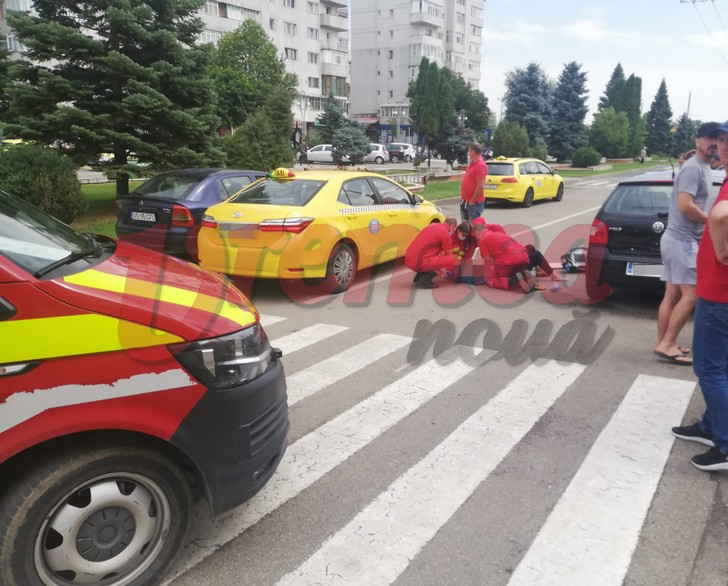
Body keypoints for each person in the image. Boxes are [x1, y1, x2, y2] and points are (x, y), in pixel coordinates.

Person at [672, 120, 728, 470]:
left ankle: (724, 444)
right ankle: (710, 425)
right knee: (720, 366)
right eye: (720, 140)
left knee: (709, 368)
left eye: (725, 141)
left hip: (719, 293)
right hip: (717, 291)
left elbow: (720, 215)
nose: (721, 146)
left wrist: (721, 249)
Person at [655, 121, 720, 366]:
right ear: (698, 140)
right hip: (683, 240)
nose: (714, 143)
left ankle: (663, 342)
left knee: (672, 294)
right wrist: (711, 220)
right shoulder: (693, 169)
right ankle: (667, 343)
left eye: (719, 139)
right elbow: (685, 206)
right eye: (710, 138)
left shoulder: (703, 166)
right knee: (691, 295)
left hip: (676, 239)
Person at [405, 217, 458, 288]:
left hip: (409, 259)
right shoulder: (445, 234)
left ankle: (421, 275)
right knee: (451, 261)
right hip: (419, 262)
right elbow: (449, 255)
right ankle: (425, 279)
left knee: (436, 256)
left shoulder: (433, 225)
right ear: (453, 226)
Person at [459, 142, 487, 222]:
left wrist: (472, 200)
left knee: (473, 228)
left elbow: (480, 185)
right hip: (465, 201)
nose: (468, 153)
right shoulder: (472, 164)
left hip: (473, 203)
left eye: (469, 150)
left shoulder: (480, 165)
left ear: (473, 152)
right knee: (465, 228)